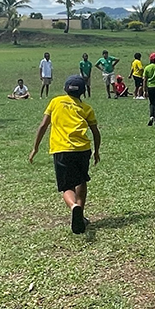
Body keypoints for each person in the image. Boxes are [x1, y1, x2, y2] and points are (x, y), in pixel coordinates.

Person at [29, 75, 101, 235]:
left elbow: (43, 125)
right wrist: (97, 151)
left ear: (65, 88)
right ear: (83, 91)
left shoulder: (55, 102)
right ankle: (80, 213)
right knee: (81, 180)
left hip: (61, 150)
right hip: (82, 149)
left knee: (67, 186)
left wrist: (35, 148)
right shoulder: (86, 108)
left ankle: (74, 207)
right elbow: (96, 132)